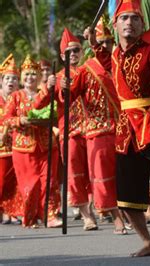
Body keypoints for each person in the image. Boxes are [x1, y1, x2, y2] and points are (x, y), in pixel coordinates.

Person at [85, 0, 150, 256]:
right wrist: (93, 43)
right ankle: (147, 243)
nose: (129, 23)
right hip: (126, 127)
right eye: (124, 18)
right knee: (127, 194)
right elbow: (107, 60)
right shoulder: (115, 55)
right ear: (115, 25)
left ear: (142, 25)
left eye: (134, 19)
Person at [36, 19, 127, 235]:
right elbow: (38, 105)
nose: (73, 55)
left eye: (76, 50)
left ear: (81, 50)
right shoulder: (57, 78)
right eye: (68, 52)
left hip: (95, 128)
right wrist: (48, 89)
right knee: (76, 174)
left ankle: (113, 211)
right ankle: (87, 215)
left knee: (100, 172)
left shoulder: (91, 68)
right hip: (70, 132)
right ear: (61, 56)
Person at [4, 55, 62, 228]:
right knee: (31, 185)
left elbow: (55, 114)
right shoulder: (15, 96)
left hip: (46, 145)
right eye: (27, 74)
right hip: (23, 147)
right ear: (22, 77)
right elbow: (6, 119)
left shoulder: (45, 94)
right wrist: (20, 121)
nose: (30, 78)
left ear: (38, 77)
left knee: (49, 181)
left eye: (33, 74)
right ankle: (31, 217)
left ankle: (50, 216)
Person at [0, 56, 22, 225]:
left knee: (14, 181)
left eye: (14, 78)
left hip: (17, 145)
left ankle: (10, 211)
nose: (11, 81)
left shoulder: (19, 98)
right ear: (2, 81)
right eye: (7, 78)